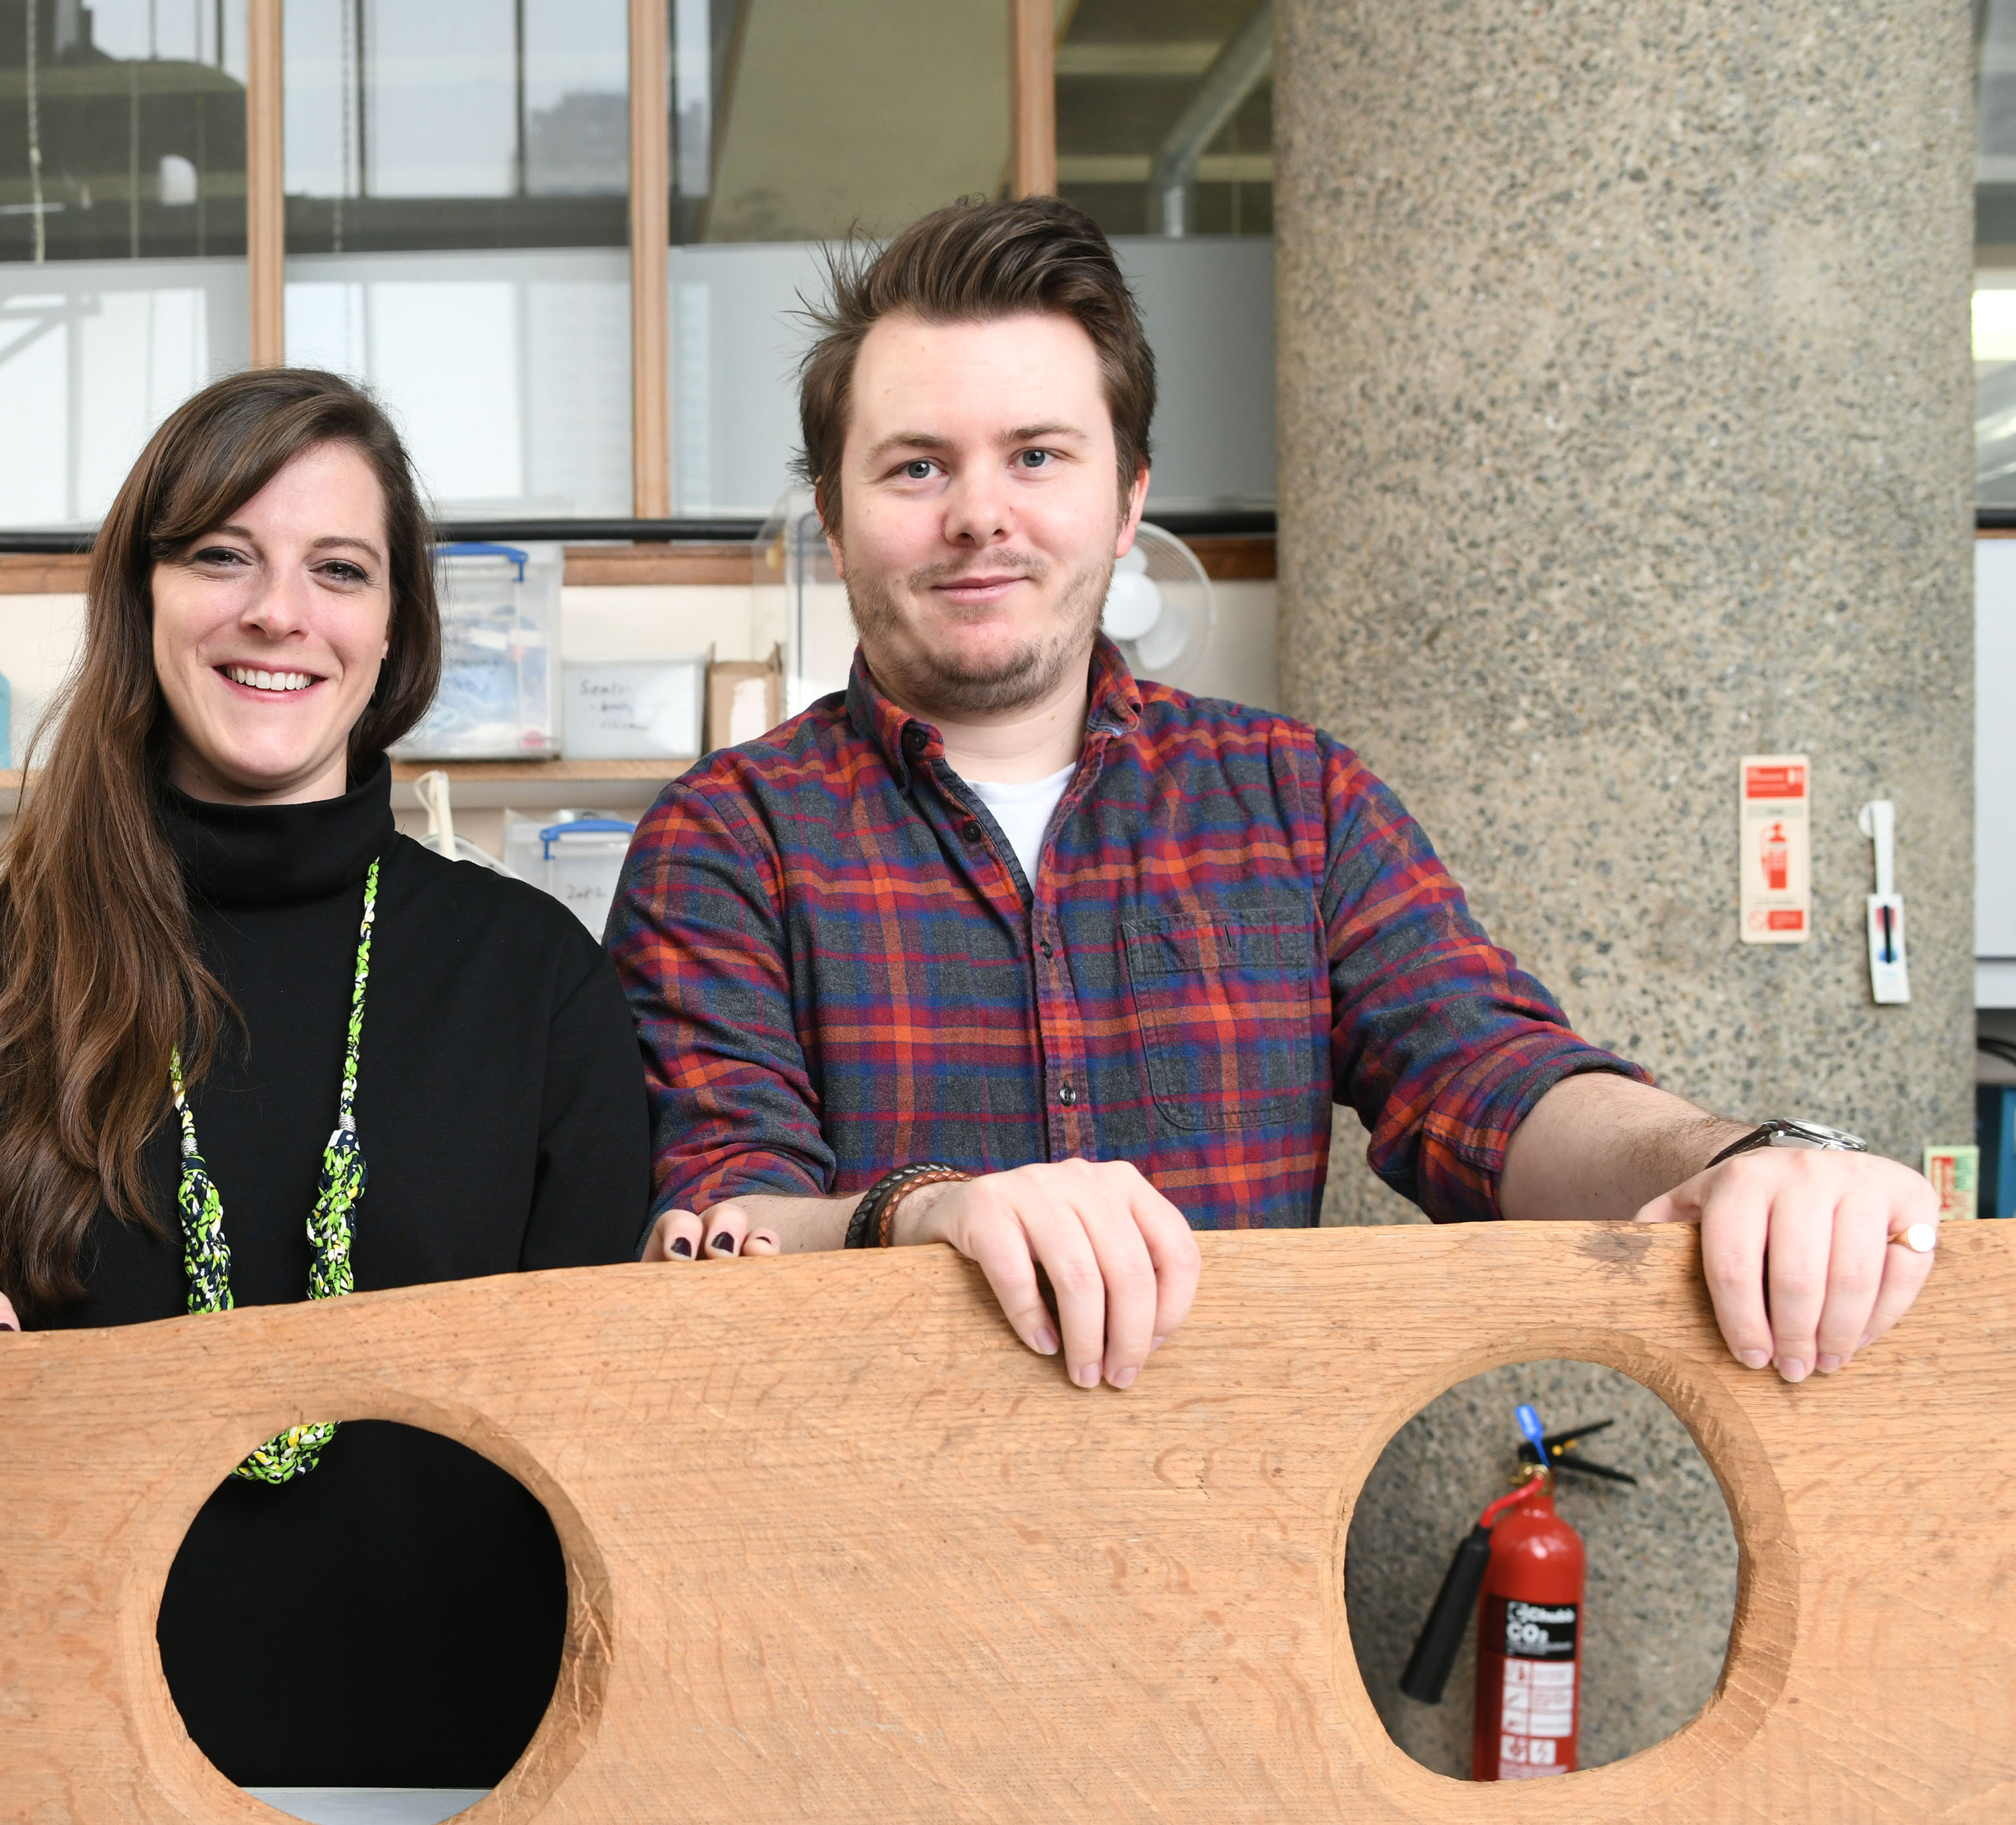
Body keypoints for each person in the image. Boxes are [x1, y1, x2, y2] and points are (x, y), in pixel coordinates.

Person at [610, 196, 1939, 1386]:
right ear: (833, 522)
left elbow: (1495, 1076)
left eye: (1036, 455)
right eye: (915, 466)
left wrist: (1736, 1156)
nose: (977, 515)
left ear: (1127, 501)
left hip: (1236, 1573)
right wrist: (932, 1210)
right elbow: (724, 1212)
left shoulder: (1295, 804)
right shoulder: (723, 840)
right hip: (853, 1573)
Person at [0, 368, 646, 1792]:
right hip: (62, 1787)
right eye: (221, 554)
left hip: (472, 1802)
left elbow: (612, 1442)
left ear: (392, 626)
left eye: (336, 568)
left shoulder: (535, 982)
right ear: (140, 597)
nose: (278, 610)